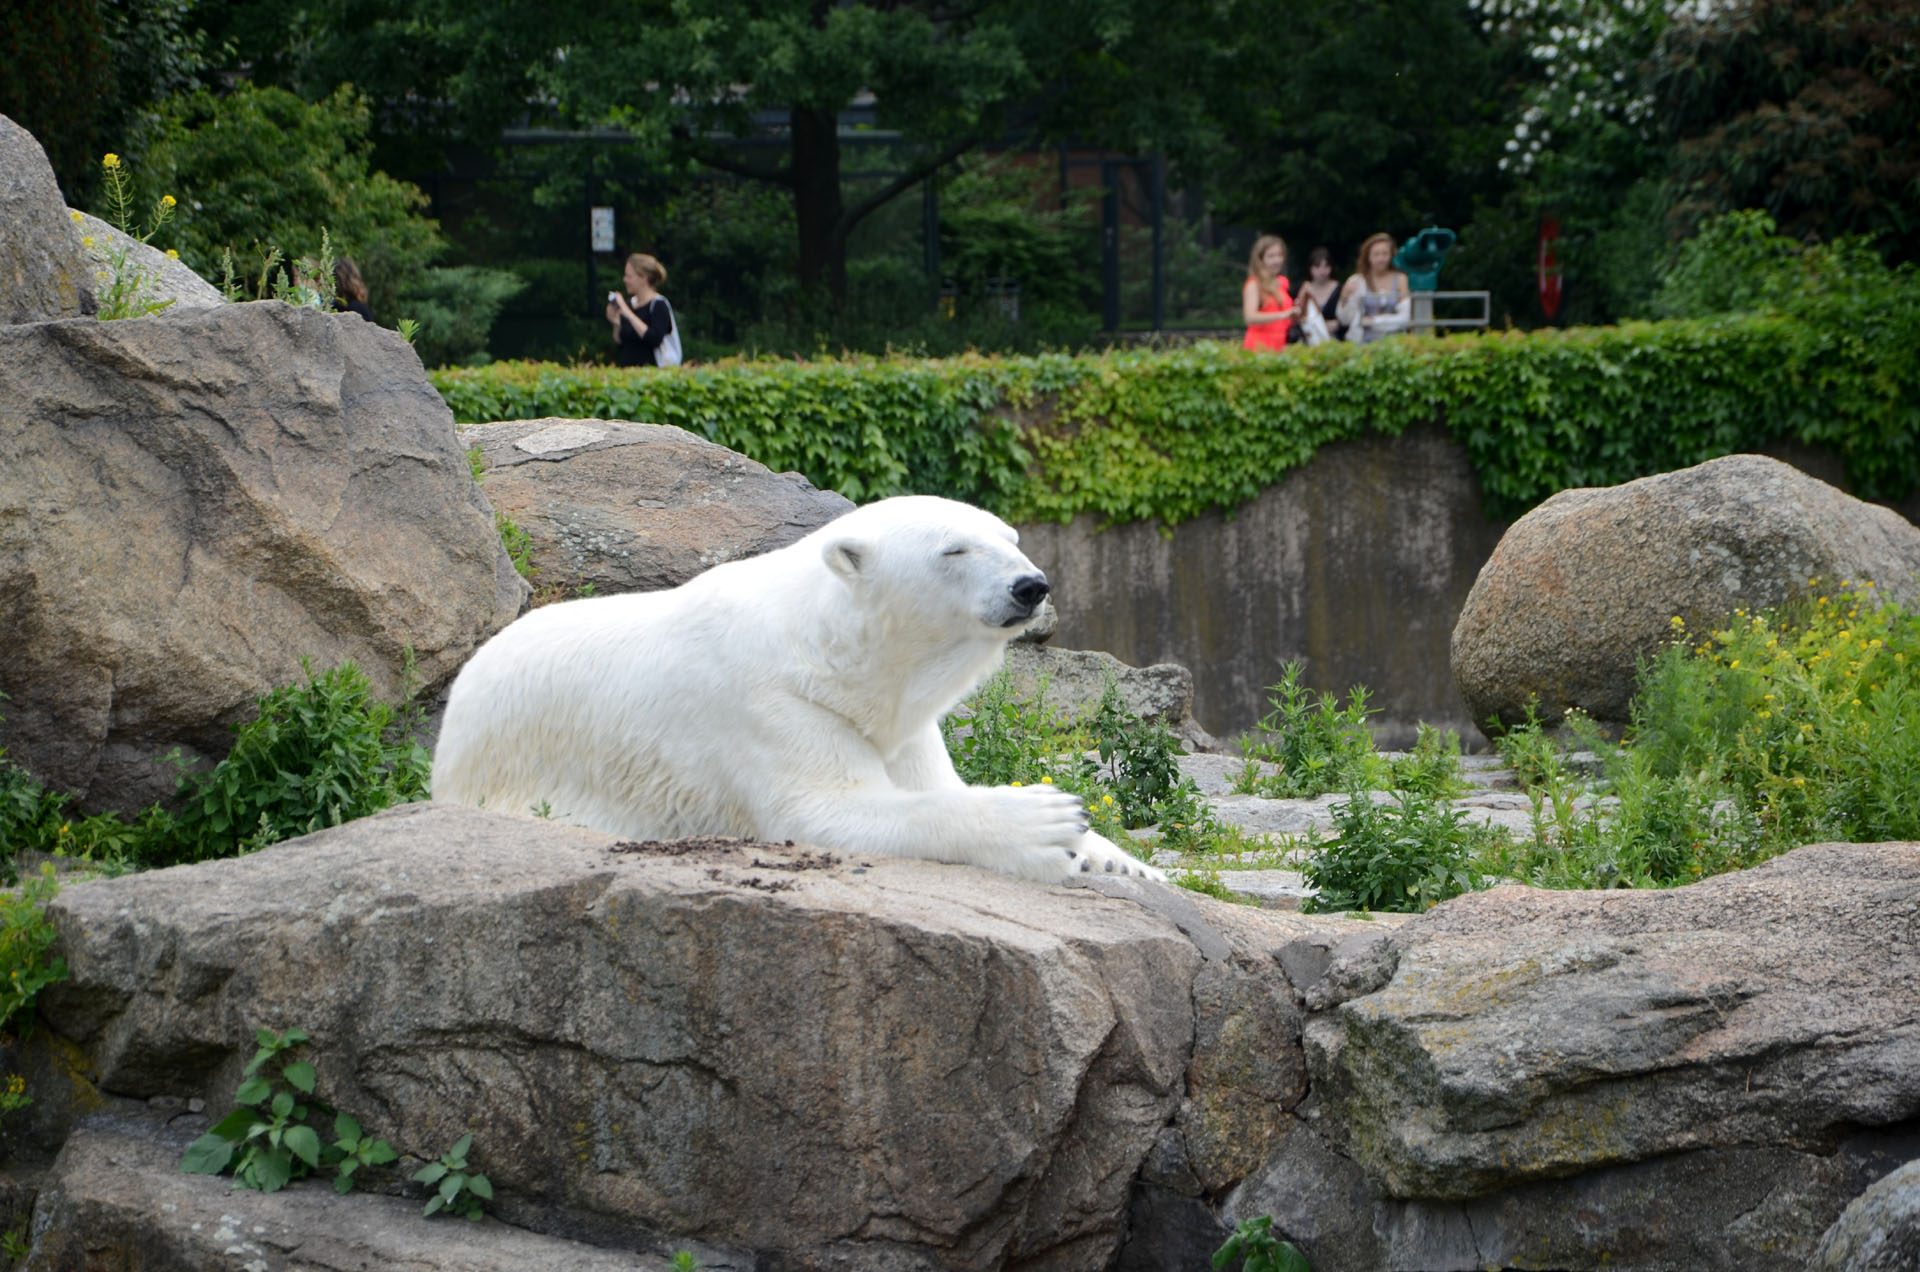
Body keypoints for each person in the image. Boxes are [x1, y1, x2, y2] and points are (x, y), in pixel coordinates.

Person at [1337, 233, 1411, 345]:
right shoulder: (1356, 281)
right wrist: (1344, 298)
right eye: (1376, 254)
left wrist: (1373, 321)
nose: (1380, 259)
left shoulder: (1401, 279)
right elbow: (1345, 320)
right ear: (1368, 257)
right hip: (1362, 344)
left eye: (1385, 254)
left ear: (1391, 255)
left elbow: (1405, 318)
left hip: (1395, 344)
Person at [607, 252, 674, 367]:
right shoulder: (628, 305)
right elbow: (621, 343)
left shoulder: (659, 305)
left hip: (651, 374)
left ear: (643, 278)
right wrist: (616, 323)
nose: (624, 280)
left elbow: (654, 338)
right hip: (626, 372)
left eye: (629, 276)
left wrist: (627, 313)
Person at [1241, 234, 1296, 352]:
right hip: (1259, 345)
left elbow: (1287, 318)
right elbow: (1250, 317)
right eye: (1271, 256)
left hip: (1280, 344)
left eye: (1279, 255)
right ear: (1260, 259)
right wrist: (1283, 315)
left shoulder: (1283, 282)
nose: (1277, 260)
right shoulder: (1254, 284)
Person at [1294, 246, 1345, 344]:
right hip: (1310, 339)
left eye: (1326, 266)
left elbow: (1346, 317)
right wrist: (1303, 293)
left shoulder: (1340, 289)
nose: (1322, 271)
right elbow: (1297, 315)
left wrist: (1338, 324)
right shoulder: (1303, 288)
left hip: (1334, 339)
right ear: (1310, 268)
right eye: (1317, 267)